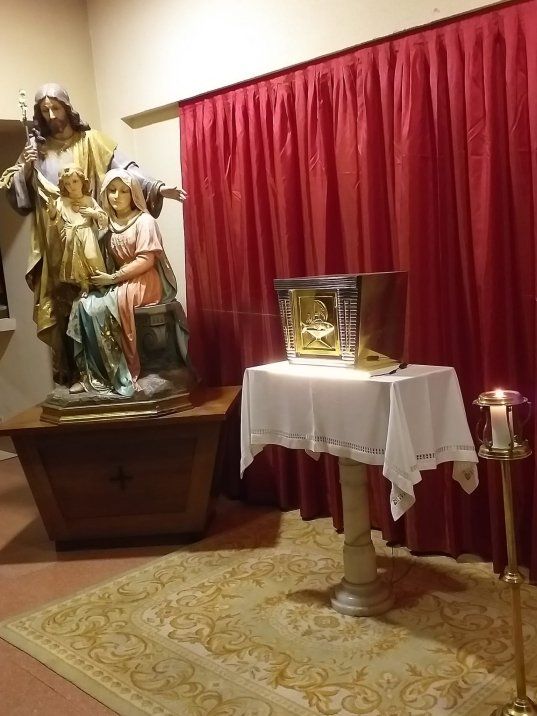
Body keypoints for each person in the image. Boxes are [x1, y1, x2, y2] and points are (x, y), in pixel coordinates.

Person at [0, 83, 186, 385]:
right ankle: (75, 374)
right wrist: (25, 165)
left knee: (93, 300)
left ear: (67, 107)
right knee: (60, 307)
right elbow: (20, 199)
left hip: (91, 238)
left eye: (56, 107)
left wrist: (158, 187)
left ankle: (107, 370)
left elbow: (128, 171)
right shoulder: (36, 151)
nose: (51, 115)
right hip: (53, 240)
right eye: (45, 110)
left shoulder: (92, 142)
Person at [68, 169, 186, 397]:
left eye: (124, 191)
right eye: (112, 190)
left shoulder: (144, 221)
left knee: (107, 306)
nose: (117, 196)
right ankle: (93, 374)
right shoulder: (107, 224)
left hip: (144, 281)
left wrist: (113, 278)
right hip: (119, 280)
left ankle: (122, 371)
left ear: (133, 194)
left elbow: (146, 260)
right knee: (83, 306)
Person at [47, 164, 108, 294]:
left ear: (82, 181)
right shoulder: (61, 201)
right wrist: (52, 212)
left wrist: (93, 213)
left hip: (87, 233)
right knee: (76, 262)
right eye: (67, 183)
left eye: (75, 181)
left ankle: (100, 283)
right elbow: (55, 219)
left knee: (92, 257)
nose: (71, 186)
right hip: (71, 235)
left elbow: (103, 217)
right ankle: (84, 286)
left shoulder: (89, 200)